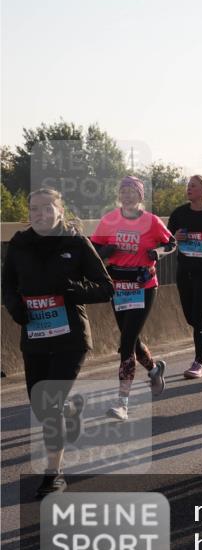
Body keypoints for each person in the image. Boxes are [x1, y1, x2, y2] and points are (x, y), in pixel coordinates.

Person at [2, 189, 114, 497]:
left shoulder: (76, 243)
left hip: (70, 338)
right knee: (42, 406)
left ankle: (53, 474)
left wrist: (75, 290)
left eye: (46, 208)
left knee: (49, 405)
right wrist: (15, 308)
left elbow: (106, 288)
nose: (39, 214)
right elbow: (7, 286)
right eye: (33, 209)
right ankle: (69, 413)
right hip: (35, 336)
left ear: (59, 211)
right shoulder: (19, 245)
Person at [92, 177, 176, 421]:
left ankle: (122, 402)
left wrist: (156, 252)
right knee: (133, 338)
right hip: (118, 286)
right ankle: (154, 369)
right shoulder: (109, 220)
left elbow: (171, 243)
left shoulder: (151, 221)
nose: (127, 195)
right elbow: (93, 250)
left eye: (132, 192)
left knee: (126, 342)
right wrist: (105, 252)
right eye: (123, 191)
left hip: (144, 285)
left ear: (140, 196)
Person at [168, 175, 202, 380]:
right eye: (188, 186)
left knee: (199, 316)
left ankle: (198, 363)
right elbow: (166, 240)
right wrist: (175, 238)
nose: (189, 189)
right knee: (190, 317)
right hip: (185, 270)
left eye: (193, 186)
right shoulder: (179, 213)